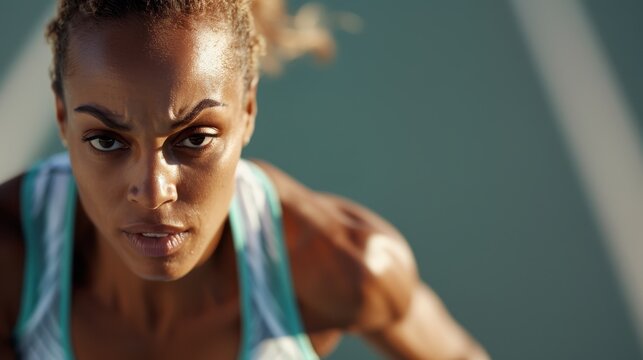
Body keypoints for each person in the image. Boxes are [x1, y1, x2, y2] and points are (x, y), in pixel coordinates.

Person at [0, 0, 489, 359]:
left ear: (249, 109)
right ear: (62, 117)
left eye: (194, 139)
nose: (153, 190)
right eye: (107, 141)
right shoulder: (12, 261)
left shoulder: (344, 268)